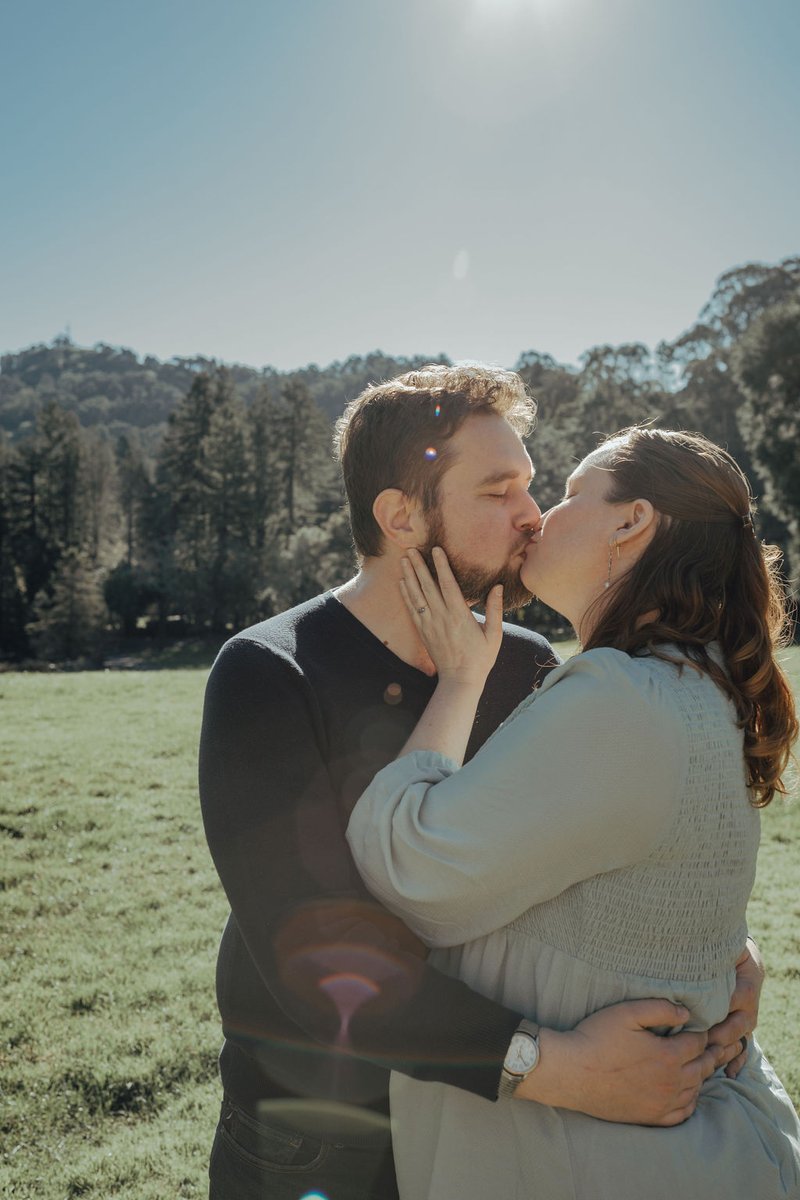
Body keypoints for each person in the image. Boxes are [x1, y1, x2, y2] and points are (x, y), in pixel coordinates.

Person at [200, 368, 762, 1200]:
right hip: (322, 1132)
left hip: (484, 1136)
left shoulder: (528, 662)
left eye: (533, 486)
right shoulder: (270, 672)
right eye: (499, 491)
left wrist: (725, 958)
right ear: (401, 517)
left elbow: (597, 848)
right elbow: (310, 958)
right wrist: (552, 1066)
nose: (531, 514)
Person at [346, 425, 800, 1199]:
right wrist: (732, 953)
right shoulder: (698, 683)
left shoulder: (621, 699)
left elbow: (409, 870)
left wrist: (459, 680)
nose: (535, 516)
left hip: (589, 1162)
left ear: (632, 521)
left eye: (566, 494)